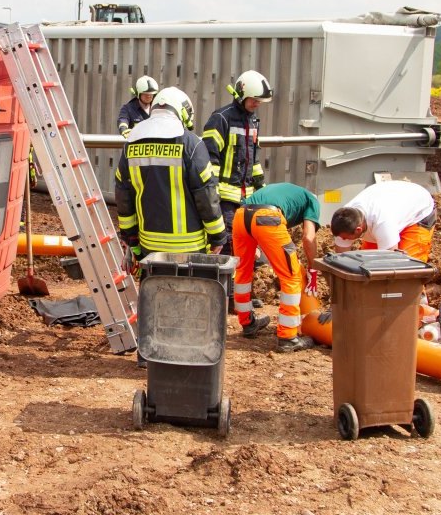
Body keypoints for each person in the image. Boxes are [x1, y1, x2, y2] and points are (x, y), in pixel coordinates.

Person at [114, 86, 227, 259]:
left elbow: (123, 194)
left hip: (149, 246)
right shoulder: (191, 143)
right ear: (183, 112)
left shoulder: (132, 142)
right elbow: (206, 193)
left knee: (153, 286)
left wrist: (129, 236)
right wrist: (218, 236)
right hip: (190, 246)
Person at [231, 183, 321, 351]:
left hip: (241, 215)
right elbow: (309, 238)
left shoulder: (287, 192)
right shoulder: (312, 200)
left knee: (243, 271)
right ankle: (288, 337)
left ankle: (248, 323)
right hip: (267, 217)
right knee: (292, 275)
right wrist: (313, 269)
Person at [202, 70, 273, 255]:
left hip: (245, 196)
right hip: (225, 197)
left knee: (245, 240)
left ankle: (239, 279)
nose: (257, 103)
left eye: (259, 100)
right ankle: (226, 281)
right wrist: (212, 191)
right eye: (253, 99)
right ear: (241, 94)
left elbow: (254, 160)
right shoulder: (221, 118)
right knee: (227, 241)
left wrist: (262, 188)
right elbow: (210, 158)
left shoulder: (253, 121)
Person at [330, 179, 437, 262]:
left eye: (345, 238)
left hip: (418, 211)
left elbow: (389, 263)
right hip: (391, 208)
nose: (342, 239)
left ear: (358, 229)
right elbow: (341, 258)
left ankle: (414, 291)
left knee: (408, 266)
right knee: (367, 262)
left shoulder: (382, 223)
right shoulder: (345, 219)